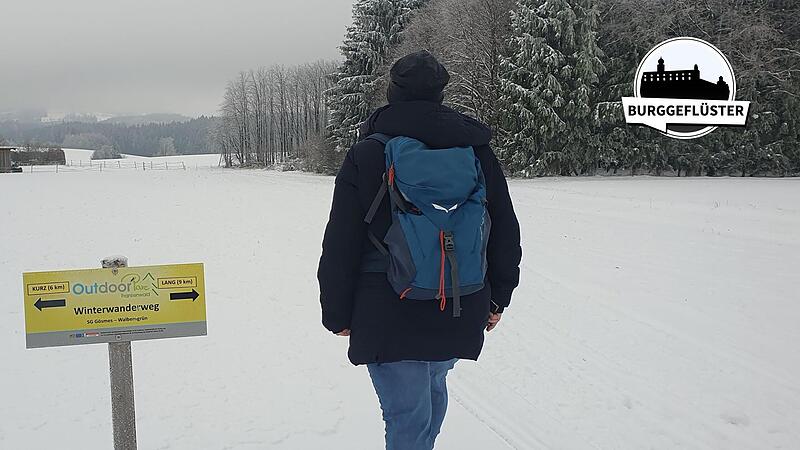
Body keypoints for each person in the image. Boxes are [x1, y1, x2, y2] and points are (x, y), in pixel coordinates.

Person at [318, 50, 522, 450]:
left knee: (407, 415)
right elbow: (503, 227)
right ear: (440, 94)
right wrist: (499, 296)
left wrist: (336, 311)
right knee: (433, 385)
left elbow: (341, 240)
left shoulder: (368, 152)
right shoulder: (474, 150)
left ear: (392, 92)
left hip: (386, 305)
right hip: (459, 300)